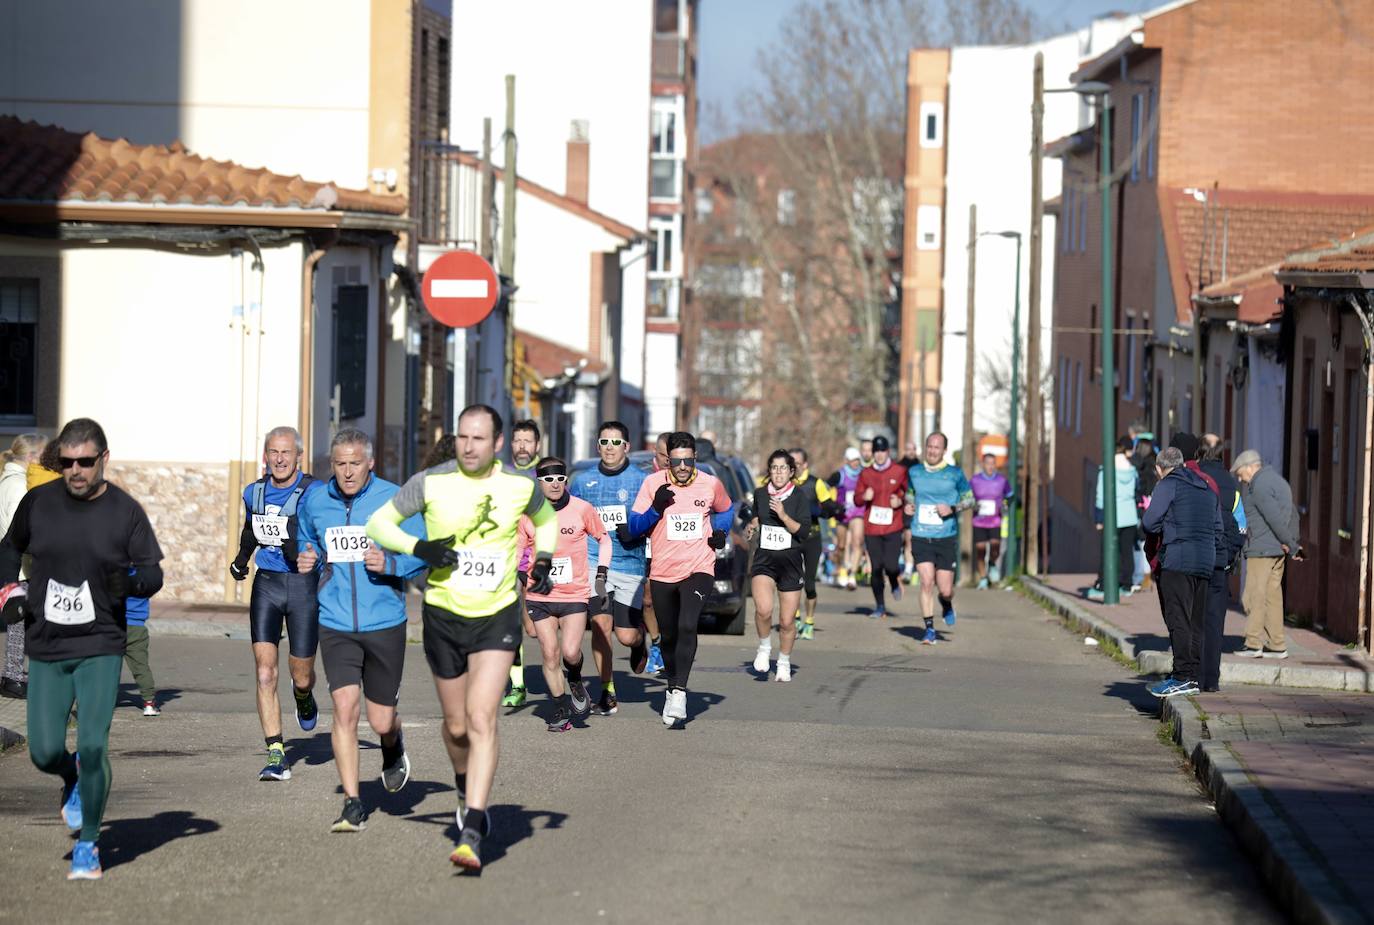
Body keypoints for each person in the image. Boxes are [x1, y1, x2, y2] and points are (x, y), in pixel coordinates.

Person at [366, 404, 558, 871]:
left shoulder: (519, 484)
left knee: (480, 716)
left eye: (479, 439)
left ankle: (472, 825)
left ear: (497, 443)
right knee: (455, 727)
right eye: (462, 438)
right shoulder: (430, 482)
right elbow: (378, 525)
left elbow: (547, 518)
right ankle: (460, 781)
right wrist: (420, 547)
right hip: (444, 614)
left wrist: (545, 559)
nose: (469, 447)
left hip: (497, 614)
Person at [0, 418, 164, 880]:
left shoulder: (124, 512)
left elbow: (153, 575)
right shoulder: (39, 502)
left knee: (93, 745)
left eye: (85, 462)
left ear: (103, 460)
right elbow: (8, 549)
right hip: (48, 643)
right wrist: (9, 588)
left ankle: (90, 843)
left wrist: (129, 581)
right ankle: (68, 775)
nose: (75, 470)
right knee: (43, 751)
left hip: (100, 643)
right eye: (68, 462)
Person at [295, 428, 426, 833]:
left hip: (384, 622)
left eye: (355, 463)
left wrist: (391, 566)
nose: (347, 472)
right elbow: (306, 541)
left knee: (381, 720)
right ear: (330, 465)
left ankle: (393, 746)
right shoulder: (315, 501)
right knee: (345, 710)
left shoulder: (395, 498)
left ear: (370, 462)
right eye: (340, 464)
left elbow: (423, 555)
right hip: (335, 622)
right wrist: (308, 560)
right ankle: (353, 803)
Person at [228, 426, 323, 782]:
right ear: (265, 456)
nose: (280, 459)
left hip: (302, 587)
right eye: (273, 452)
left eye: (286, 453)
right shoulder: (254, 492)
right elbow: (252, 528)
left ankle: (303, 695)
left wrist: (306, 551)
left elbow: (324, 534)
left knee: (300, 675)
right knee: (265, 672)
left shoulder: (313, 492)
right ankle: (276, 752)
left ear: (299, 456)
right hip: (266, 585)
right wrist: (241, 560)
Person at [622, 431, 734, 727]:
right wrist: (656, 508)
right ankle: (672, 684)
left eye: (687, 460)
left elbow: (726, 509)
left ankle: (679, 691)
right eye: (676, 460)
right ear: (667, 459)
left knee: (687, 625)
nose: (682, 466)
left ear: (694, 458)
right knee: (669, 635)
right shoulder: (652, 484)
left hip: (699, 567)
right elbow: (634, 526)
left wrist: (719, 531)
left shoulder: (710, 483)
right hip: (662, 571)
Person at [569, 421, 652, 717]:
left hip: (630, 563)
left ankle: (640, 642)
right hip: (594, 562)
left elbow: (653, 519)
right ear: (597, 446)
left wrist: (638, 533)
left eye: (616, 443)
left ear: (627, 447)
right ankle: (607, 691)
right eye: (604, 442)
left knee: (625, 635)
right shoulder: (581, 481)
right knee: (601, 627)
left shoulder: (642, 480)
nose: (609, 448)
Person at [518, 456, 608, 731]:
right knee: (550, 653)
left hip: (574, 594)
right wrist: (518, 576)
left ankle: (576, 678)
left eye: (559, 479)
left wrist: (601, 572)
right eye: (548, 480)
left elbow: (604, 538)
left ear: (566, 481)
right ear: (538, 483)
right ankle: (560, 710)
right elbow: (516, 550)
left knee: (570, 652)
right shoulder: (527, 515)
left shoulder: (582, 509)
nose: (554, 484)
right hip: (540, 595)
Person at [1140, 447, 1220, 698]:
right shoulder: (1206, 487)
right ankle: (1192, 677)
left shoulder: (1168, 485)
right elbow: (1217, 528)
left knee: (1178, 620)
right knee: (1196, 623)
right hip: (1205, 562)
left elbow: (1149, 522)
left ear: (1159, 469)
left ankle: (1181, 676)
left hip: (1177, 560)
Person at [747, 450, 812, 681]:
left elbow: (803, 532)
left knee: (786, 621)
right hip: (765, 559)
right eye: (774, 468)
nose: (778, 472)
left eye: (783, 468)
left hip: (791, 562)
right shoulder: (760, 494)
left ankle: (784, 661)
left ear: (791, 471)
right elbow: (757, 517)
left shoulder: (800, 497)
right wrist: (752, 525)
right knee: (763, 610)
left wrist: (784, 516)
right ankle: (764, 648)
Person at [906, 432, 973, 641]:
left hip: (945, 537)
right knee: (926, 582)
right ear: (925, 448)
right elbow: (910, 493)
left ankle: (946, 603)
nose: (932, 451)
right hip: (920, 534)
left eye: (937, 447)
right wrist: (909, 504)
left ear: (944, 450)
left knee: (945, 590)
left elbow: (970, 500)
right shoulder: (914, 471)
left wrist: (952, 508)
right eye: (930, 446)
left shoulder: (955, 474)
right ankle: (929, 629)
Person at [1231, 449, 1297, 660]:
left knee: (1253, 596)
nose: (1240, 478)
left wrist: (1290, 543)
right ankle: (1277, 644)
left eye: (1240, 473)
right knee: (1272, 597)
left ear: (1251, 466)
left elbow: (1273, 518)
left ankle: (1253, 643)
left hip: (1262, 548)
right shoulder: (1279, 482)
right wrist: (1290, 542)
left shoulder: (1259, 486)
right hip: (1276, 550)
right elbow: (1293, 513)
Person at [1197, 434, 1247, 690]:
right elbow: (1241, 527)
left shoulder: (1192, 478)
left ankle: (1191, 675)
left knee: (1194, 620)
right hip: (1220, 563)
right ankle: (1211, 680)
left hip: (1195, 562)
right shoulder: (1231, 484)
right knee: (1215, 622)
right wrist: (1228, 555)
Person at [501, 420, 543, 708]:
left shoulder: (548, 474)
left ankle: (565, 671)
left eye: (528, 441)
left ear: (537, 445)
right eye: (518, 440)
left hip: (541, 562)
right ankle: (516, 685)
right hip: (509, 561)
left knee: (535, 628)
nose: (522, 446)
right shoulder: (500, 476)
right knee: (511, 625)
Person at [1, 433, 46, 699]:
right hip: (19, 565)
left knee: (18, 622)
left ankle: (14, 675)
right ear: (30, 457)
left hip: (15, 562)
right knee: (19, 622)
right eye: (41, 458)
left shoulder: (8, 480)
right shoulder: (19, 486)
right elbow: (17, 530)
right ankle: (13, 678)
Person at [855, 436, 908, 620]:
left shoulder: (899, 471)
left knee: (891, 566)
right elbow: (856, 498)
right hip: (872, 528)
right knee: (876, 568)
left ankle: (894, 581)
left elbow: (910, 493)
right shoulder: (866, 473)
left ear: (888, 452)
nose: (878, 455)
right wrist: (864, 496)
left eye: (882, 451)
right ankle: (880, 606)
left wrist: (900, 500)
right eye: (876, 451)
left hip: (893, 526)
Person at [787, 448, 836, 640]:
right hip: (791, 538)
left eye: (797, 463)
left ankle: (809, 621)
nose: (794, 467)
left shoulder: (815, 483)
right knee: (792, 581)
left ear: (805, 465)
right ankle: (796, 618)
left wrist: (824, 511)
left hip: (812, 538)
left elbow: (830, 506)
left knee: (808, 584)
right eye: (791, 463)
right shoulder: (786, 483)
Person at [1088, 436, 1141, 601]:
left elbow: (1100, 496)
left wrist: (1099, 518)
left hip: (1113, 517)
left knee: (1108, 550)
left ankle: (1104, 583)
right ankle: (1127, 583)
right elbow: (1137, 491)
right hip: (1130, 516)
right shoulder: (1133, 471)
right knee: (1127, 552)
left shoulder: (1107, 470)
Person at [969, 453, 1011, 588]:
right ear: (983, 464)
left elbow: (1010, 495)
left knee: (995, 548)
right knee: (980, 550)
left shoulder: (1001, 480)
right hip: (979, 521)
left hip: (995, 521)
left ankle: (992, 563)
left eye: (993, 463)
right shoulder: (975, 480)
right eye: (988, 463)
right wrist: (973, 504)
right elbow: (967, 497)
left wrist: (1005, 504)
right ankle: (983, 578)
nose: (990, 466)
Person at [829, 447, 865, 590]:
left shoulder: (863, 474)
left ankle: (852, 576)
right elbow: (824, 487)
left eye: (857, 460)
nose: (855, 463)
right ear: (847, 461)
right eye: (852, 460)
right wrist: (832, 504)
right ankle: (840, 568)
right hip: (842, 513)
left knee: (857, 542)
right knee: (841, 546)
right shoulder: (840, 475)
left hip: (858, 511)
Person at [122, 585, 159, 716]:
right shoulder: (145, 576)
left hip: (114, 624)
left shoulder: (116, 569)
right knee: (140, 667)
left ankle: (101, 701)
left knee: (108, 667)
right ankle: (149, 703)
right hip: (137, 626)